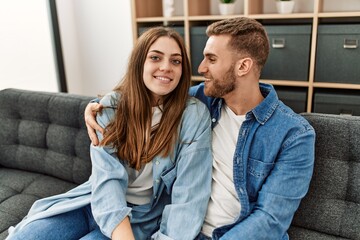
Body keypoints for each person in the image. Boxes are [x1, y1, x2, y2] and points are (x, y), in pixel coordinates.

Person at [85, 17, 316, 239]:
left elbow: (270, 220)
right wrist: (99, 107)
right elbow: (149, 94)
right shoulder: (202, 100)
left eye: (211, 59)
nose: (201, 67)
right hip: (182, 230)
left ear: (243, 66)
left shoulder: (293, 135)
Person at [6, 27, 213, 240]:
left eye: (176, 61)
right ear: (139, 62)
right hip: (92, 203)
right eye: (155, 57)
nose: (166, 67)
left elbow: (189, 196)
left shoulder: (194, 116)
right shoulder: (111, 108)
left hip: (142, 218)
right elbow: (107, 179)